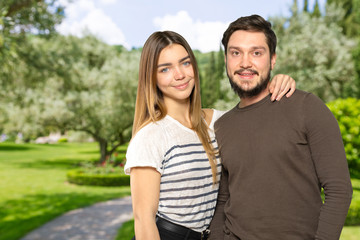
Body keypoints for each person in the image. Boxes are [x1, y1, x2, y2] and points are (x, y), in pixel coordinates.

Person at [124, 30, 296, 240]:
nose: (179, 74)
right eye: (165, 69)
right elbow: (143, 219)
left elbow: (260, 117)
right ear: (152, 77)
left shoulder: (218, 122)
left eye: (185, 63)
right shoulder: (150, 136)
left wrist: (279, 82)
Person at [209, 15, 353, 240]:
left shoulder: (306, 107)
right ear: (226, 59)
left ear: (273, 60)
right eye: (235, 53)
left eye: (257, 53)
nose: (245, 62)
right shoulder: (222, 126)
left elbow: (339, 190)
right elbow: (223, 198)